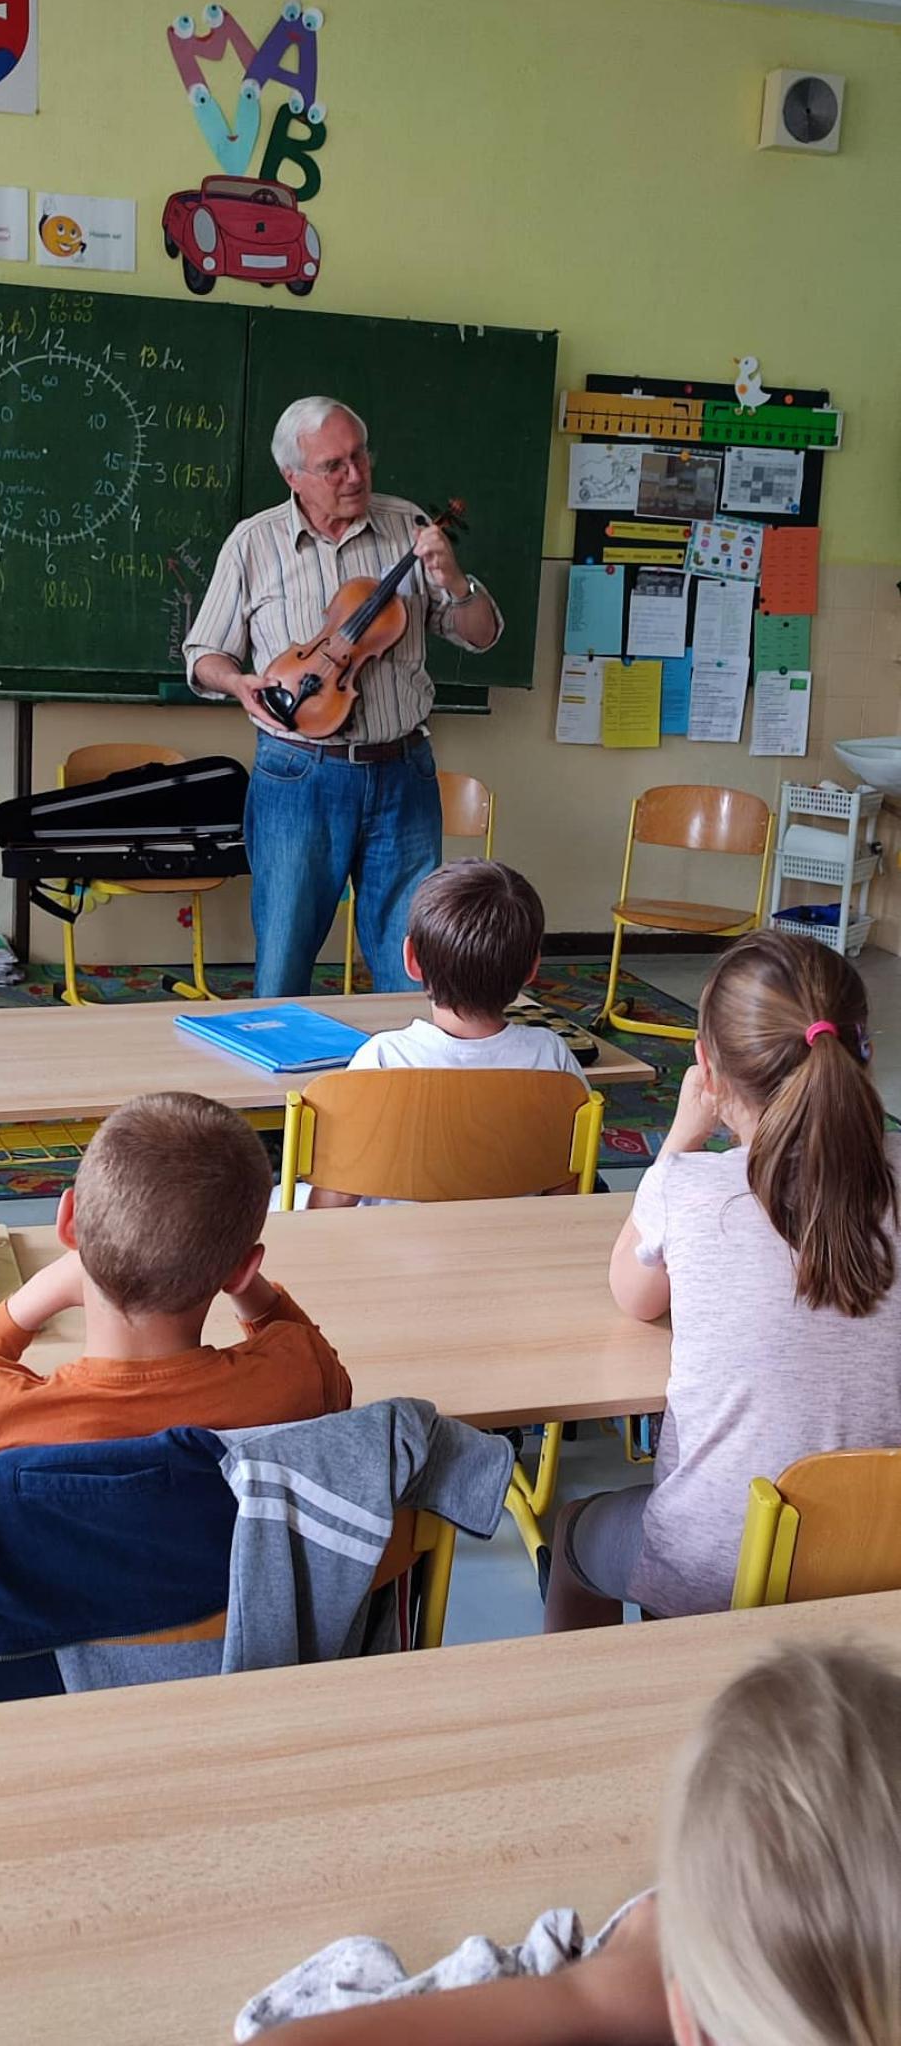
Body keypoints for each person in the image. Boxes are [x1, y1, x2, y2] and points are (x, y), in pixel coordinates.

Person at [248, 1645, 901, 2046]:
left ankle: (568, 1640)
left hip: (689, 1561)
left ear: (689, 2019)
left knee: (577, 1535)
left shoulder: (646, 1998)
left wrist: (600, 1991)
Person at [545, 928, 901, 1633]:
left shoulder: (692, 1188)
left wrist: (677, 1140)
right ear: (863, 1051)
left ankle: (584, 1722)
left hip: (714, 1565)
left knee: (574, 1530)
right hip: (883, 1555)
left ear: (706, 1069)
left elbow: (634, 1296)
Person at [183, 396, 503, 996]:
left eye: (360, 457)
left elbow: (482, 636)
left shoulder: (408, 527)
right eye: (333, 465)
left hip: (402, 772)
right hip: (298, 776)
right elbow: (203, 655)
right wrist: (236, 682)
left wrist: (454, 581)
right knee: (282, 957)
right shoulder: (254, 543)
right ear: (293, 477)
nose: (354, 475)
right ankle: (274, 1090)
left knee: (412, 960)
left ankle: (407, 1088)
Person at [0, 1090, 351, 1471]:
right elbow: (328, 1373)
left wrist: (33, 1299)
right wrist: (241, 1279)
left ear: (67, 1223)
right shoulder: (298, 1377)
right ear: (243, 1269)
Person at [308, 859, 588, 1209]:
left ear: (410, 959)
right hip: (512, 1246)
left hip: (389, 1253)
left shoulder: (382, 1058)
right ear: (532, 968)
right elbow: (566, 1190)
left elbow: (334, 1199)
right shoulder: (553, 1058)